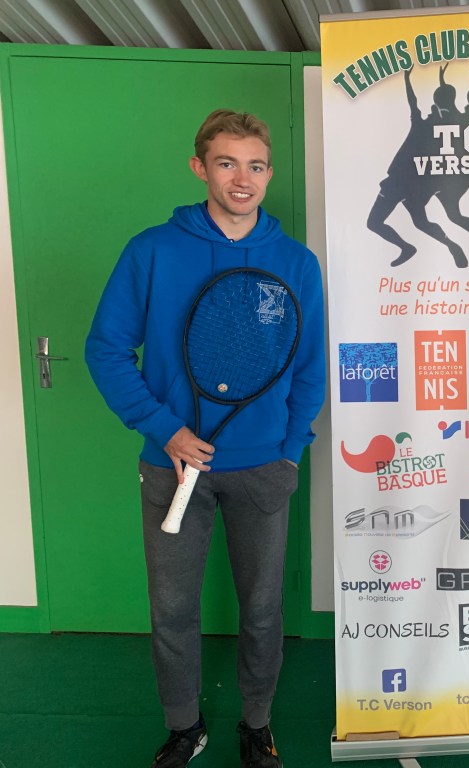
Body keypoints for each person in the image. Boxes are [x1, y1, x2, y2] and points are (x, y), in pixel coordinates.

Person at [85, 109, 326, 768]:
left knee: (264, 609)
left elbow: (309, 368)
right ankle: (184, 727)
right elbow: (106, 350)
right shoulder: (152, 251)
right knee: (172, 610)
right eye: (226, 163)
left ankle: (257, 724)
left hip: (264, 470)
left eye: (255, 165)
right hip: (170, 469)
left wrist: (289, 451)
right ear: (200, 168)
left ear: (269, 173)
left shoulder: (296, 263)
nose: (242, 179)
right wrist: (164, 428)